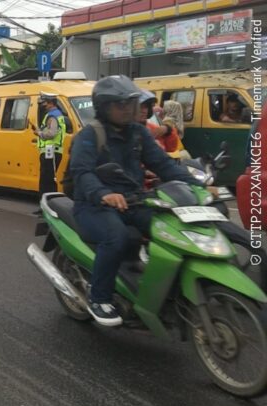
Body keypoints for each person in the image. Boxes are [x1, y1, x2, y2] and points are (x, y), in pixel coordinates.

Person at [69, 75, 214, 327]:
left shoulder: (138, 133)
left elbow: (163, 165)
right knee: (116, 237)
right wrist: (104, 194)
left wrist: (201, 187)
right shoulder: (90, 135)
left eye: (131, 103)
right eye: (120, 104)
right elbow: (82, 173)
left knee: (173, 228)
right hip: (94, 205)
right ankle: (99, 297)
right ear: (104, 107)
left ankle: (164, 289)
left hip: (135, 201)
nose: (128, 109)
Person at [34, 93, 66, 199]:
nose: (44, 106)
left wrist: (39, 133)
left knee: (48, 180)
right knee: (46, 179)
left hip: (51, 152)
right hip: (50, 151)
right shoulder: (54, 115)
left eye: (45, 103)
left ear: (51, 103)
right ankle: (44, 204)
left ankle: (50, 204)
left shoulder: (53, 116)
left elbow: (52, 133)